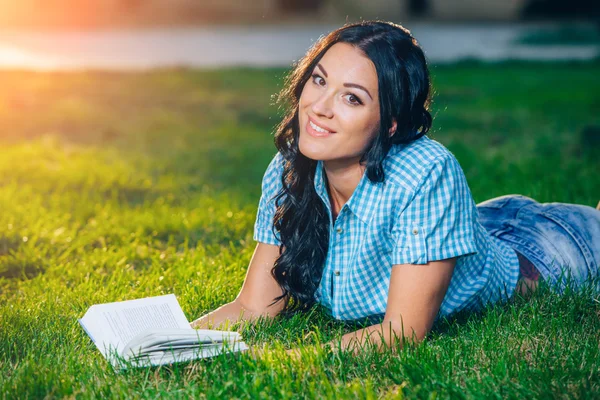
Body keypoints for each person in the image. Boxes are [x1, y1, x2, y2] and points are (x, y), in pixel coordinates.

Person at [191, 21, 600, 356]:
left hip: (547, 249)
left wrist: (287, 360)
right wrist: (156, 344)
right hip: (478, 223)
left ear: (389, 123)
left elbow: (402, 331)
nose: (320, 106)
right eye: (319, 80)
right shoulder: (291, 163)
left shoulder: (426, 172)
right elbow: (253, 307)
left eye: (352, 99)